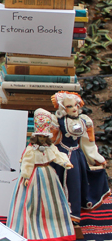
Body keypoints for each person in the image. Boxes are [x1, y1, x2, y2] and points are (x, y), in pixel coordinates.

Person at [7, 108, 75, 240]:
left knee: (52, 201)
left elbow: (57, 156)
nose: (43, 139)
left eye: (45, 137)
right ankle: (26, 229)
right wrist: (26, 176)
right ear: (36, 137)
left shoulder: (51, 147)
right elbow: (27, 162)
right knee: (28, 201)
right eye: (41, 137)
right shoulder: (31, 149)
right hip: (33, 175)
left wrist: (65, 163)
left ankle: (54, 229)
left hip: (48, 174)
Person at [50, 91, 111, 223]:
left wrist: (96, 158)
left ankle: (73, 216)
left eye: (76, 105)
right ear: (63, 108)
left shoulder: (84, 121)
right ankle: (57, 213)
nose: (75, 108)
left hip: (77, 157)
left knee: (75, 183)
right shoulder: (58, 121)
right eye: (70, 106)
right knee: (59, 182)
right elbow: (52, 140)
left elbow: (88, 142)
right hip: (61, 155)